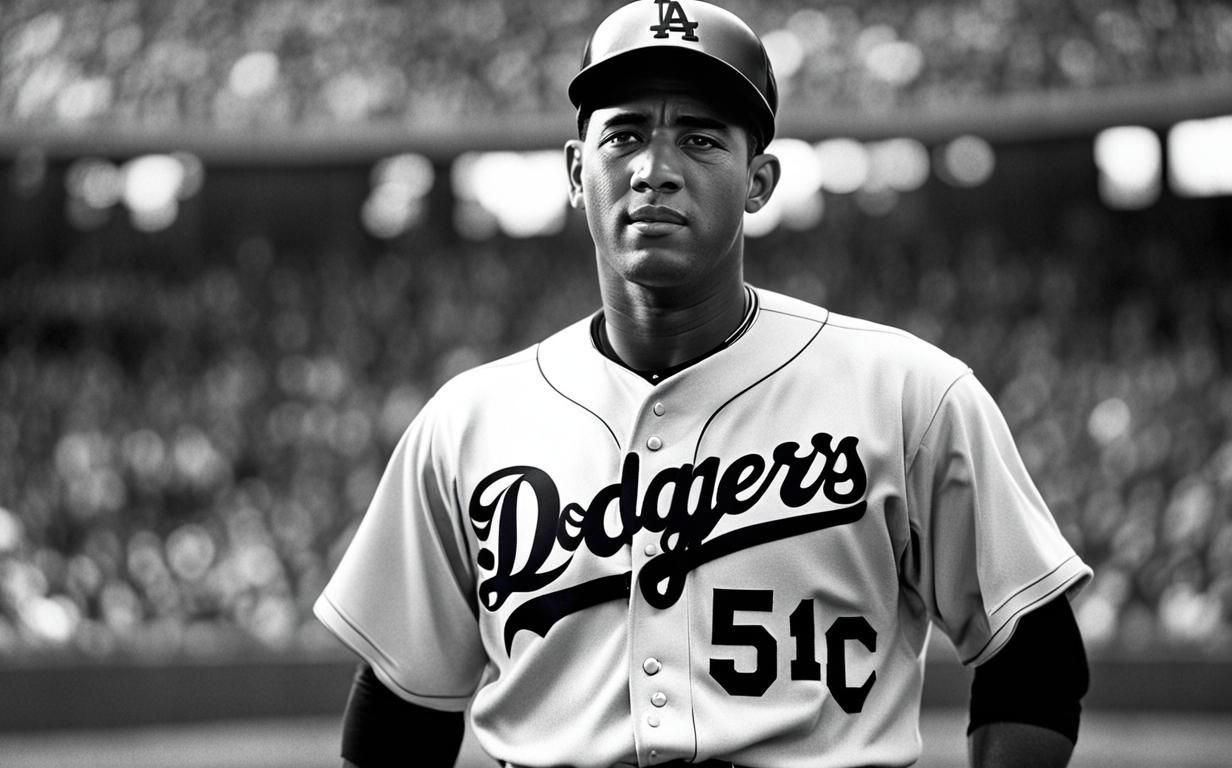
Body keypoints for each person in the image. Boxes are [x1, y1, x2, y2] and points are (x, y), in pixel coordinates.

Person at [314, 2, 1092, 766]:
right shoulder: (468, 423)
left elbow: (1036, 661)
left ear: (759, 180)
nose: (655, 171)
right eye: (624, 135)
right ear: (578, 172)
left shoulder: (909, 394)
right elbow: (398, 715)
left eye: (700, 138)